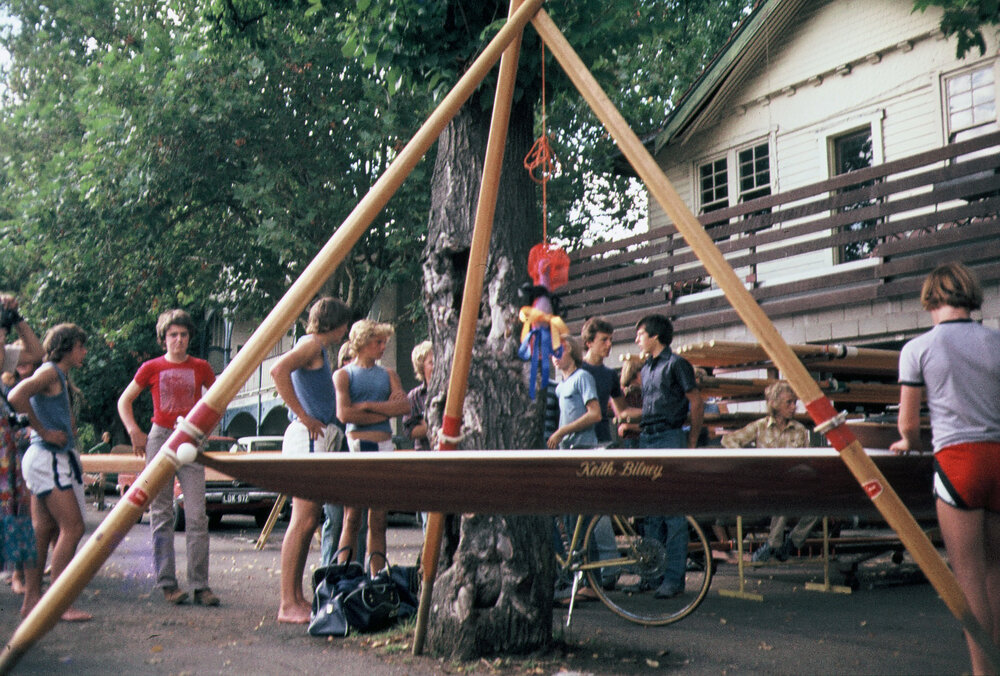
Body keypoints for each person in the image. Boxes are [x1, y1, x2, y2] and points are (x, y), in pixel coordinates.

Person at [889, 262, 1000, 675]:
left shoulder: (919, 348)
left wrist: (908, 444)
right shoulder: (997, 341)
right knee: (996, 574)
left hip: (959, 460)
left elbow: (908, 426)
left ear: (931, 299)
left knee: (968, 580)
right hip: (998, 457)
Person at [117, 309, 220, 607]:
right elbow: (125, 400)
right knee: (161, 513)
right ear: (164, 339)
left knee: (198, 514)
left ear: (189, 338)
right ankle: (168, 583)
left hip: (190, 438)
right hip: (160, 437)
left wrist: (206, 429)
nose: (178, 340)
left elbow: (217, 400)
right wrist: (134, 430)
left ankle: (201, 585)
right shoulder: (151, 367)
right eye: (173, 335)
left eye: (183, 335)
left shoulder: (201, 367)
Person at [270, 297, 352, 624]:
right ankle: (286, 603)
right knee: (302, 519)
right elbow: (278, 371)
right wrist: (304, 416)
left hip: (315, 437)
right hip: (307, 437)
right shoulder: (312, 346)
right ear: (335, 324)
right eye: (345, 324)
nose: (346, 331)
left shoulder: (315, 348)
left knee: (309, 520)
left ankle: (296, 598)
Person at [9, 323, 91, 621]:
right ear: (68, 347)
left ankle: (33, 602)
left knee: (43, 530)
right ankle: (58, 605)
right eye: (81, 346)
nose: (84, 352)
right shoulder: (49, 372)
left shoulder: (59, 376)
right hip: (48, 459)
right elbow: (17, 395)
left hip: (45, 459)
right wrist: (41, 430)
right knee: (74, 527)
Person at [633, 314, 703, 599]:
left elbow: (697, 401)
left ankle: (674, 579)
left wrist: (692, 442)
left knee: (673, 513)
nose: (637, 339)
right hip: (647, 438)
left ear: (654, 336)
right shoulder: (646, 368)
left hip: (670, 436)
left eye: (640, 334)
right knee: (650, 511)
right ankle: (652, 576)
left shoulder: (677, 365)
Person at [334, 319, 410, 575]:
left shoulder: (388, 374)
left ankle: (378, 576)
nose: (382, 347)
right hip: (359, 445)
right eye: (378, 342)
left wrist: (366, 407)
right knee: (353, 516)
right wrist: (383, 411)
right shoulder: (344, 375)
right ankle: (345, 574)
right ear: (363, 343)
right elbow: (345, 415)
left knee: (378, 518)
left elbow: (403, 407)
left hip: (384, 446)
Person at [721, 380, 818, 562]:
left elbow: (808, 461)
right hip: (765, 486)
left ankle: (790, 543)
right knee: (783, 497)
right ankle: (774, 545)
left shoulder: (800, 431)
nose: (793, 406)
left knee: (821, 505)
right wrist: (751, 463)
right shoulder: (760, 427)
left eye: (794, 402)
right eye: (788, 402)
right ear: (775, 404)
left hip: (793, 485)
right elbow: (728, 440)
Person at [0, 298, 44, 608]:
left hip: (6, 448)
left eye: (3, 333)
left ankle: (24, 585)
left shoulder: (4, 356)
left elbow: (36, 353)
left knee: (13, 513)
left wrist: (17, 318)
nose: (2, 340)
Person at [319, 341, 365, 568]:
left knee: (360, 522)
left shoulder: (367, 388)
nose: (350, 364)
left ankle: (357, 573)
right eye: (346, 359)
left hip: (360, 463)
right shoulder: (333, 390)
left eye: (354, 359)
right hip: (335, 464)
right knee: (335, 521)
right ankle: (328, 574)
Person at [579, 317, 626, 446]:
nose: (609, 344)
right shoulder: (576, 369)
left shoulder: (611, 375)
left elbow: (622, 411)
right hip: (578, 439)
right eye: (604, 340)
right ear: (589, 342)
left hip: (603, 438)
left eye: (611, 339)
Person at [402, 340, 433, 451]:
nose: (436, 366)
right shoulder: (415, 396)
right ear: (421, 367)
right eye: (431, 363)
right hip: (425, 453)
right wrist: (435, 428)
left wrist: (424, 424)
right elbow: (409, 431)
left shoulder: (451, 393)